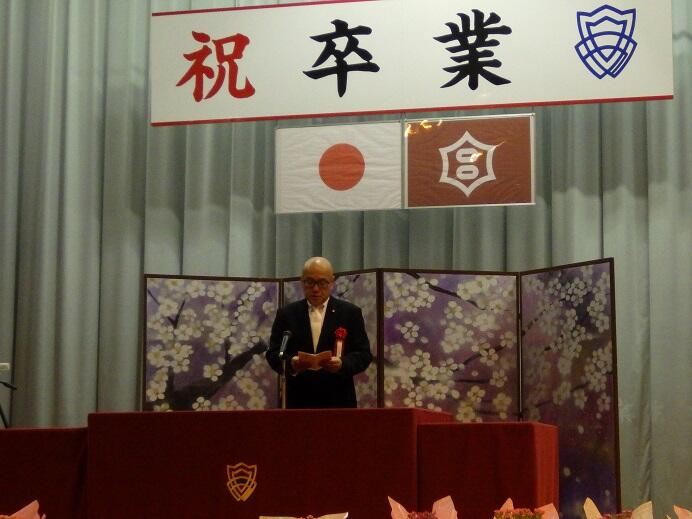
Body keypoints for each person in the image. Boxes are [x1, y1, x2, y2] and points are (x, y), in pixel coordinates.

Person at [266, 257, 372, 408]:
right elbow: (273, 353)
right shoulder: (287, 314)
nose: (315, 289)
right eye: (310, 282)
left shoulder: (350, 313)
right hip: (298, 399)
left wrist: (342, 364)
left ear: (332, 282)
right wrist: (291, 363)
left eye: (322, 283)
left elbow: (364, 354)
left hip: (338, 399)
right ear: (302, 282)